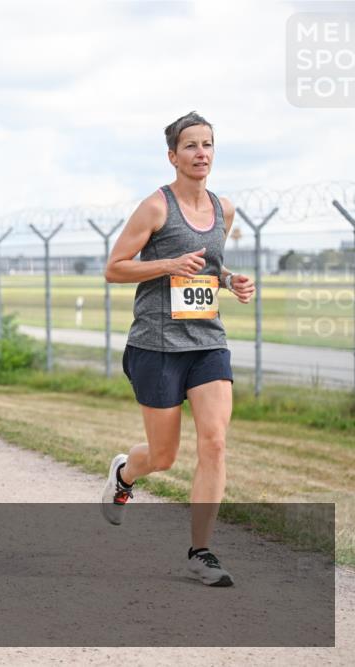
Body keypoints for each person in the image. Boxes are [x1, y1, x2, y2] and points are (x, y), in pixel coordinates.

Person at [101, 112, 256, 587]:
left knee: (214, 441)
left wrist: (229, 281)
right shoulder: (155, 207)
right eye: (190, 145)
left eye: (208, 144)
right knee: (164, 456)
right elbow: (114, 268)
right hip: (156, 344)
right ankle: (126, 474)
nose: (201, 153)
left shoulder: (223, 209)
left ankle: (201, 552)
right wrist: (168, 264)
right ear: (173, 155)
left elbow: (209, 266)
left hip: (207, 340)